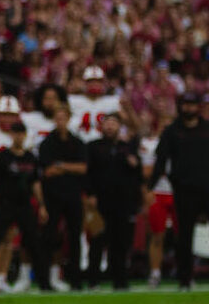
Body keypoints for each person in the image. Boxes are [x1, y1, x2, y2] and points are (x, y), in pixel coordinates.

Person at [0, 121, 50, 292]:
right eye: (16, 133)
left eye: (21, 134)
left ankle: (45, 284)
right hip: (5, 205)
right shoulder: (2, 157)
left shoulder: (31, 157)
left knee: (35, 244)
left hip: (25, 205)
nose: (19, 137)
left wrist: (42, 205)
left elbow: (36, 183)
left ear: (25, 135)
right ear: (11, 135)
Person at [147, 91, 209, 290]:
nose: (189, 108)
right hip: (184, 190)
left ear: (198, 107)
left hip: (207, 187)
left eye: (193, 104)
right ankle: (185, 279)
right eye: (186, 104)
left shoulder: (207, 129)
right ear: (181, 106)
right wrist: (150, 187)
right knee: (184, 236)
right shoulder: (172, 131)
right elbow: (161, 161)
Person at [85, 112, 141, 289]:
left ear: (119, 127)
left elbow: (137, 175)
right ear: (101, 127)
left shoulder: (127, 147)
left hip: (122, 202)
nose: (110, 126)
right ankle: (93, 280)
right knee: (97, 241)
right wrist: (90, 194)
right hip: (100, 201)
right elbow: (88, 173)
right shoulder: (93, 147)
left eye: (113, 123)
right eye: (107, 123)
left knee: (120, 243)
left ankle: (120, 281)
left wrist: (135, 163)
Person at [38, 104, 87, 290]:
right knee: (49, 237)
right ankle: (45, 280)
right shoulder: (48, 142)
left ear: (68, 118)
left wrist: (61, 166)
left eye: (63, 117)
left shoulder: (77, 142)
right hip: (53, 195)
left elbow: (82, 168)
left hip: (73, 195)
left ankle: (76, 280)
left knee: (75, 237)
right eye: (57, 117)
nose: (60, 121)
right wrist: (69, 168)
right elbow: (47, 171)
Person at [139, 121, 174, 287]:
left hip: (178, 192)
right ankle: (155, 272)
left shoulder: (182, 144)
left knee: (184, 235)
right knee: (157, 235)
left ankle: (185, 271)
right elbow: (145, 171)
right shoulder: (152, 146)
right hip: (158, 192)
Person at [68, 66, 122, 142]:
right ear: (84, 83)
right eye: (91, 81)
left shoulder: (112, 101)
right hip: (78, 143)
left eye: (98, 81)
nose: (94, 84)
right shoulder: (72, 100)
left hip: (103, 145)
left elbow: (128, 125)